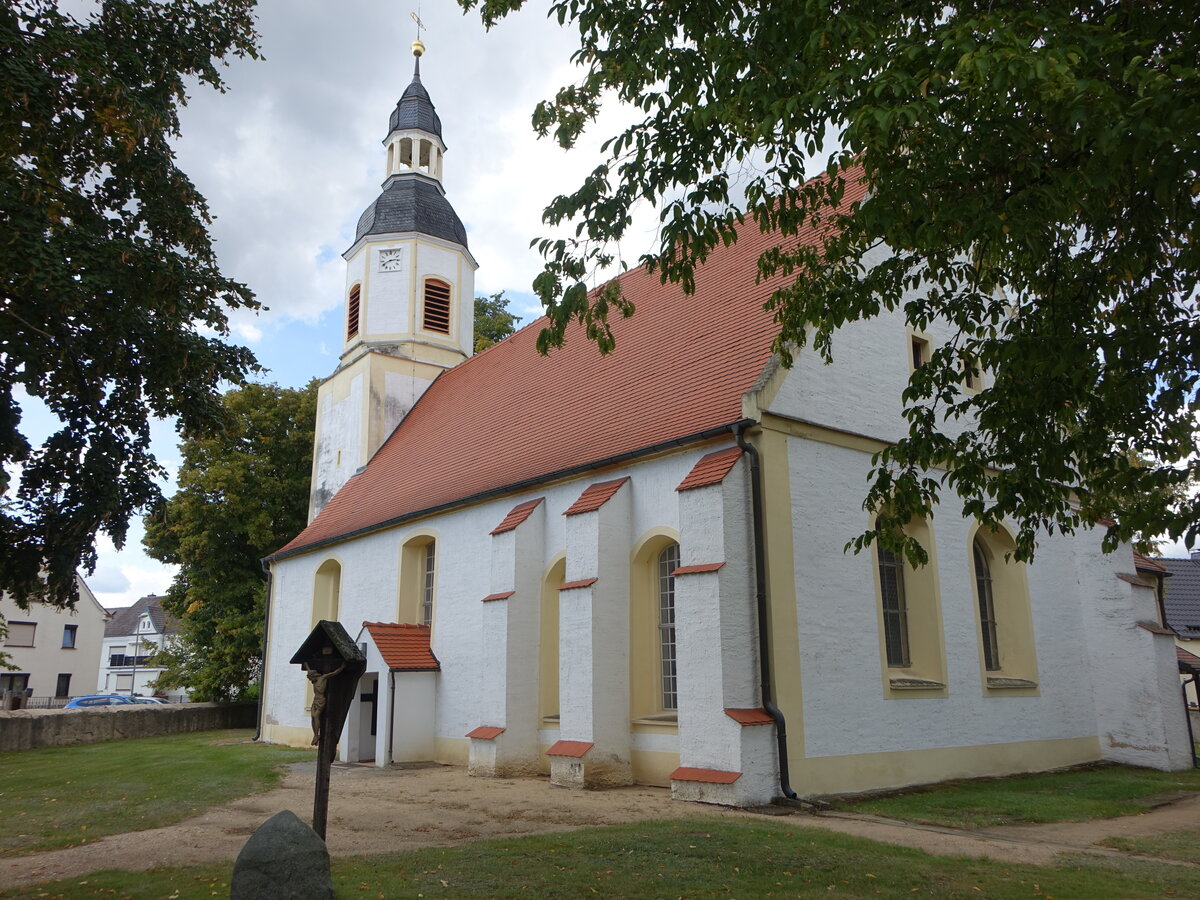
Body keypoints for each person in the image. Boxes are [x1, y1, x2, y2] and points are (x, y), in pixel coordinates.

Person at [305, 662, 345, 746]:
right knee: (312, 717)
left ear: (314, 676)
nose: (310, 681)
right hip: (315, 700)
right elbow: (308, 670)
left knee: (316, 716)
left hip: (321, 700)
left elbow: (334, 673)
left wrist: (341, 667)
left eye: (310, 678)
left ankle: (316, 735)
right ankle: (315, 735)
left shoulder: (322, 678)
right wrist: (306, 665)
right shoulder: (314, 680)